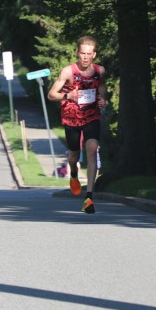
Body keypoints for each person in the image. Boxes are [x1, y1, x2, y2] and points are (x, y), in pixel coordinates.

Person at [47, 35, 108, 213]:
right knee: (74, 155)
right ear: (77, 53)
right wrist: (68, 95)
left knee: (92, 150)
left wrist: (102, 98)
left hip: (91, 116)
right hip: (72, 118)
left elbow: (101, 86)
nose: (85, 57)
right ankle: (73, 173)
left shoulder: (99, 70)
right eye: (82, 53)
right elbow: (51, 94)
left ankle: (89, 197)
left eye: (89, 54)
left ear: (94, 54)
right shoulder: (68, 72)